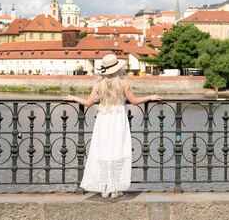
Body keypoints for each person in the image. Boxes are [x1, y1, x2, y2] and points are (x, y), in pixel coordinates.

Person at [64, 54, 161, 198]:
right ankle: (115, 188)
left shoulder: (98, 84)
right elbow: (134, 101)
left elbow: (88, 103)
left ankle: (104, 188)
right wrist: (150, 97)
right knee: (117, 150)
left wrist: (72, 97)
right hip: (118, 119)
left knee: (103, 150)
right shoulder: (123, 83)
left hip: (103, 119)